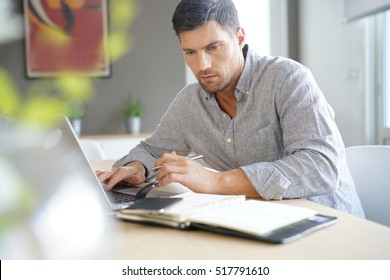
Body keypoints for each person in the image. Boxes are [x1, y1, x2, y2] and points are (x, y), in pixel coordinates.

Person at [97, 0, 365, 217]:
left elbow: (320, 166)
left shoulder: (288, 78)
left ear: (239, 37)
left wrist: (215, 182)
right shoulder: (190, 102)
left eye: (213, 47)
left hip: (329, 222)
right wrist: (136, 168)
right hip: (258, 221)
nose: (202, 65)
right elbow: (151, 149)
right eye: (190, 52)